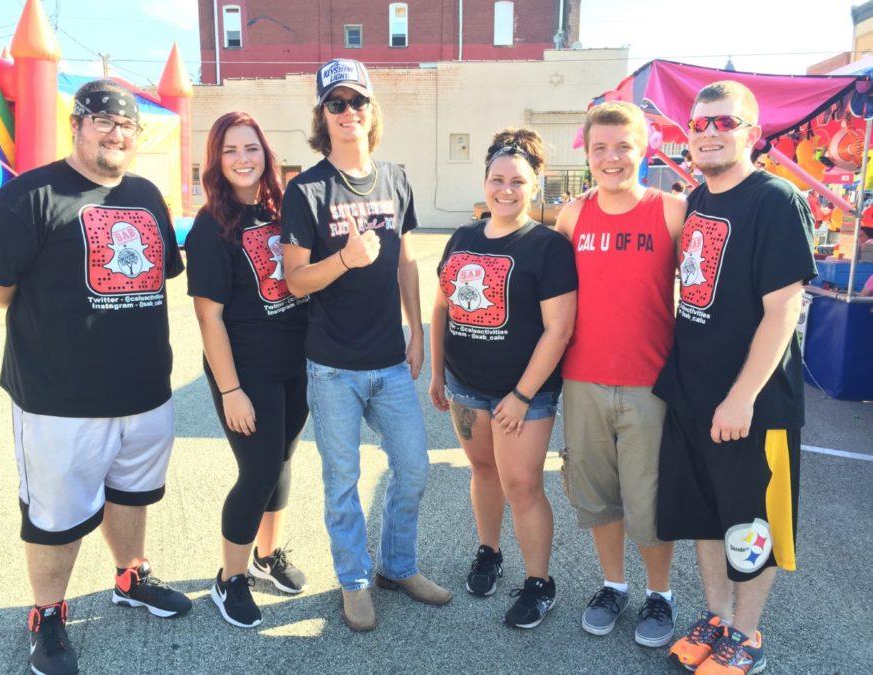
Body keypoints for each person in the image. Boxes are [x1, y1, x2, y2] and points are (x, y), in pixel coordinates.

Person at [0, 79, 191, 675]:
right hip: (59, 401)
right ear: (77, 123)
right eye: (103, 121)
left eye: (127, 126)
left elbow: (159, 274)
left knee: (133, 492)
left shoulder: (146, 194)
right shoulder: (30, 195)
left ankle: (130, 576)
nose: (116, 134)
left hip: (145, 391)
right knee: (56, 514)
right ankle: (47, 613)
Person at [281, 58, 451, 632]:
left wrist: (418, 332)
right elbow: (295, 280)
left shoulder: (396, 178)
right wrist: (345, 259)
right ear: (323, 116)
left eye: (358, 102)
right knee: (343, 480)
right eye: (336, 104)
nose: (348, 112)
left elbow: (405, 260)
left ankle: (397, 566)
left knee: (413, 468)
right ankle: (354, 581)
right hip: (332, 367)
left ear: (372, 111)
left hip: (389, 360)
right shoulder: (306, 189)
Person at [654, 81, 816, 673]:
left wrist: (742, 397)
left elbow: (784, 310)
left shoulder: (774, 199)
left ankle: (746, 634)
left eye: (724, 122)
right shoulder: (697, 199)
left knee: (750, 526)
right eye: (699, 124)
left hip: (752, 405)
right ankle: (717, 619)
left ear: (752, 132)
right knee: (702, 516)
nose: (709, 133)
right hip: (691, 395)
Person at [430, 128, 577, 629]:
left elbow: (558, 330)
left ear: (535, 185)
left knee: (522, 484)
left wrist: (520, 395)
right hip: (466, 385)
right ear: (485, 182)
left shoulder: (548, 247)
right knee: (484, 472)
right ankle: (488, 552)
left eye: (518, 180)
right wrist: (436, 373)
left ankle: (540, 583)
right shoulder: (463, 236)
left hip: (525, 395)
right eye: (497, 179)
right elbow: (442, 308)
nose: (506, 189)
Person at [554, 101, 686, 648]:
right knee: (597, 494)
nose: (612, 158)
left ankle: (661, 594)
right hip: (582, 379)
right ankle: (614, 585)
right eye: (601, 148)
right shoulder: (571, 216)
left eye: (623, 146)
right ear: (587, 153)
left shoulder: (673, 211)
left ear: (645, 148)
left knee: (649, 499)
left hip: (651, 384)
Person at [185, 112, 309, 629]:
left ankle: (266, 555)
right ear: (216, 159)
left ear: (266, 154)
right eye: (231, 150)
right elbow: (208, 316)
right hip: (244, 371)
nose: (243, 159)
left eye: (251, 148)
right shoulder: (209, 225)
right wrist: (231, 389)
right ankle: (229, 579)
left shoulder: (282, 210)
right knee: (256, 471)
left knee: (280, 463)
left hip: (292, 364)